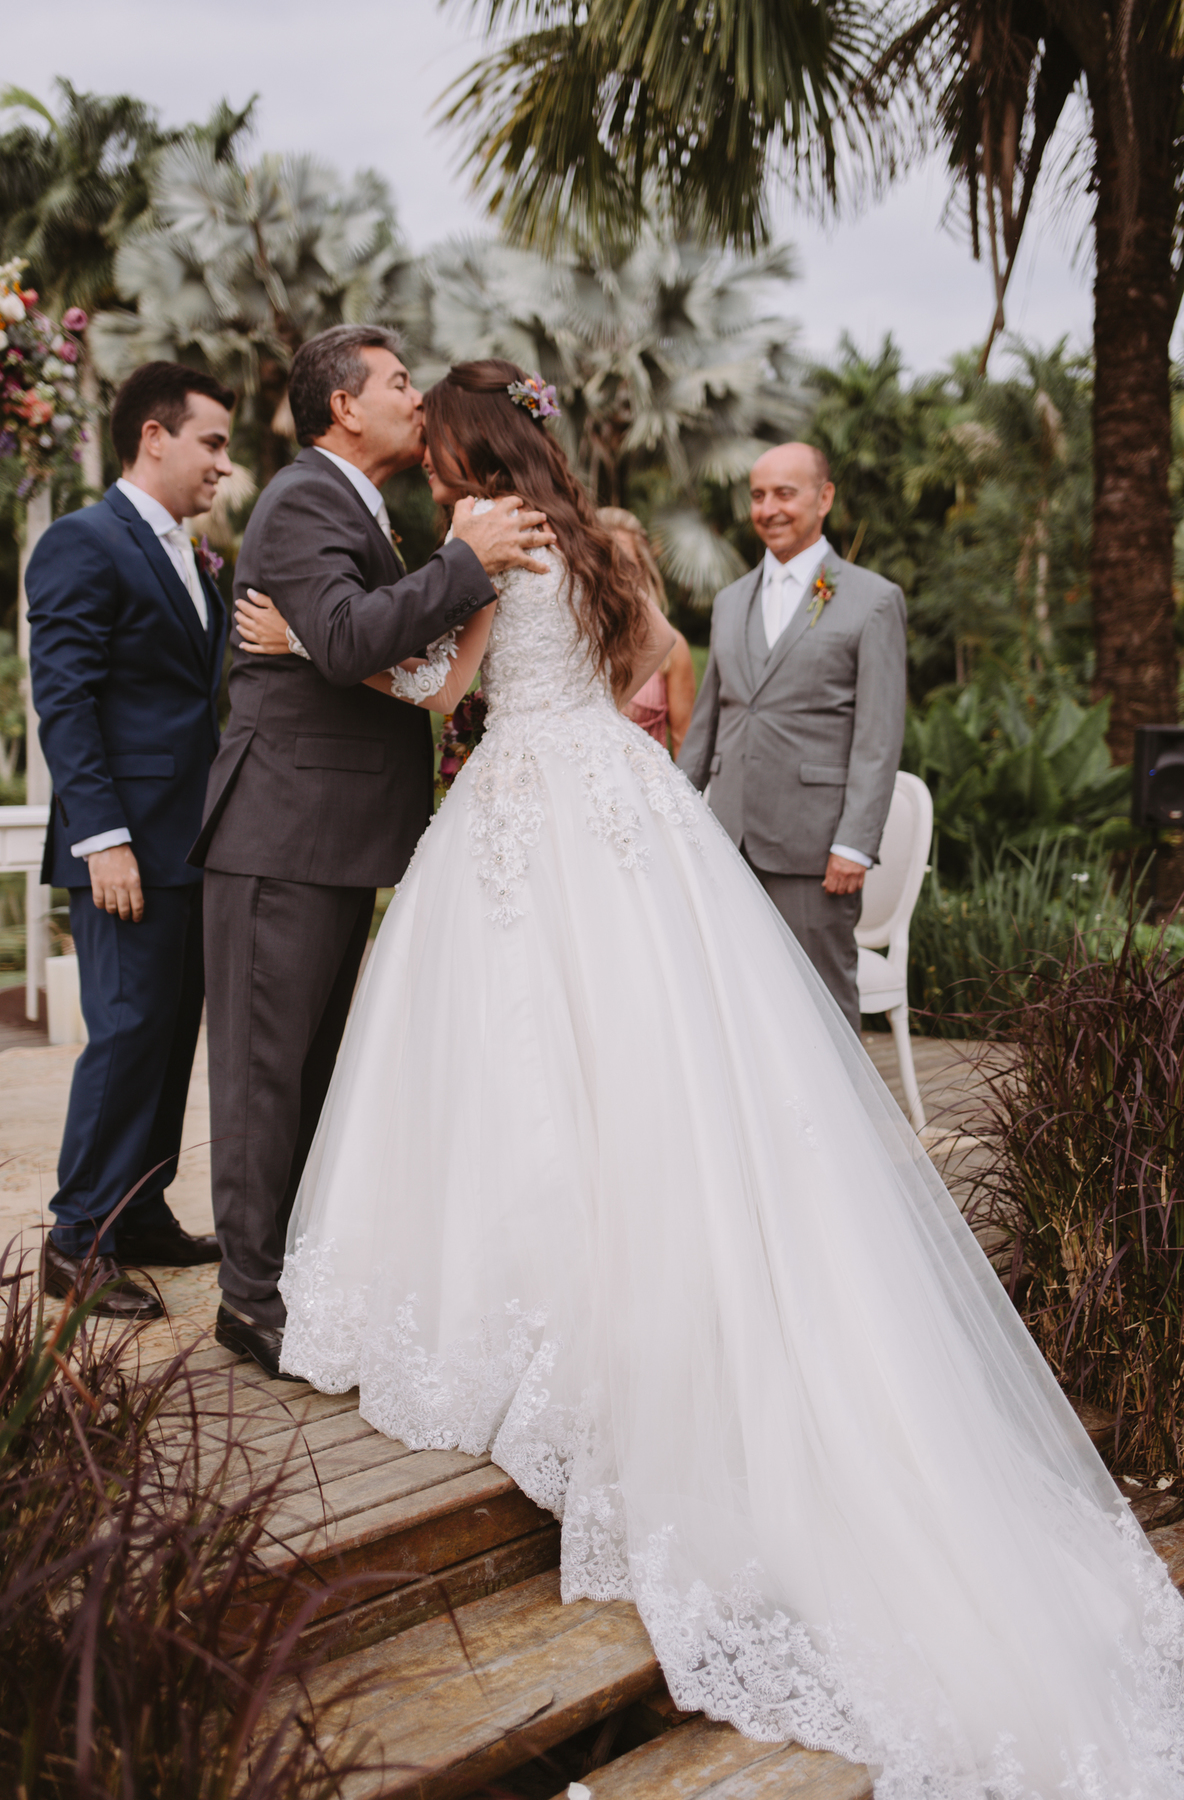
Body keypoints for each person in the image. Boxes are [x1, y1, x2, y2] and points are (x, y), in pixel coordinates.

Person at [234, 357, 1184, 1796]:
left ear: (472, 455)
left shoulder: (485, 548)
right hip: (621, 808)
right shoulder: (603, 538)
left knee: (519, 1054)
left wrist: (304, 642)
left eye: (440, 443)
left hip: (524, 807)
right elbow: (664, 666)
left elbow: (435, 693)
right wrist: (606, 725)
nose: (428, 459)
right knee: (656, 1045)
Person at [188, 325, 555, 1380]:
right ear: (343, 405)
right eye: (399, 382)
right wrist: (463, 561)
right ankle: (251, 1301)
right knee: (266, 1076)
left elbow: (368, 651)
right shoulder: (304, 499)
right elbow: (354, 638)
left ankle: (292, 1275)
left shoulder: (362, 510)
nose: (416, 398)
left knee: (309, 1070)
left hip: (335, 836)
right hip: (282, 831)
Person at [27, 361, 234, 1318]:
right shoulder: (83, 542)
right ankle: (77, 1239)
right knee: (123, 1036)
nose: (224, 466)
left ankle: (140, 1211)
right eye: (213, 443)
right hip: (123, 846)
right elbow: (64, 700)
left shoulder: (195, 557)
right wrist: (102, 837)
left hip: (189, 843)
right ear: (155, 435)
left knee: (165, 1034)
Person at [677, 445, 907, 1032]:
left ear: (824, 498)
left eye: (786, 493)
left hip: (815, 847)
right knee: (736, 1006)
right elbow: (708, 722)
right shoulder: (730, 602)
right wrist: (674, 818)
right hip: (727, 844)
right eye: (758, 495)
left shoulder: (873, 600)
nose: (769, 508)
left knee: (822, 1009)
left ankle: (842, 1125)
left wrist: (854, 844)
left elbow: (878, 736)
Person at [597, 507, 695, 756]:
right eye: (601, 560)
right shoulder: (565, 641)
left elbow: (685, 743)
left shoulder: (672, 648)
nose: (613, 573)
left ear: (641, 569)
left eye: (624, 563)